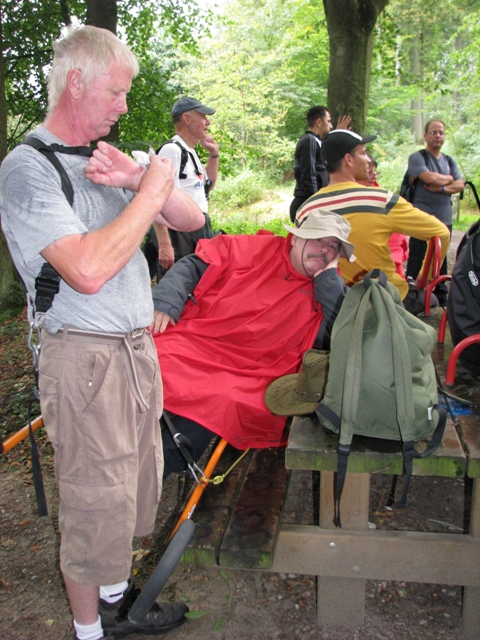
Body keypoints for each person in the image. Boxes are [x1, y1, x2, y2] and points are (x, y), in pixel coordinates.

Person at [0, 26, 205, 640]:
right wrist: (146, 189)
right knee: (95, 498)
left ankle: (119, 605)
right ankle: (90, 631)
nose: (123, 107)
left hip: (136, 349)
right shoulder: (25, 169)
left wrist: (138, 182)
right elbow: (87, 269)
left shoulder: (105, 156)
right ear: (77, 82)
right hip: (83, 358)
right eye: (116, 93)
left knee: (136, 483)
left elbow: (195, 219)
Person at [150, 208, 353, 475]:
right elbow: (194, 265)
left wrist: (327, 281)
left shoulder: (329, 290)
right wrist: (165, 302)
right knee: (151, 356)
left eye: (332, 246)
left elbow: (346, 333)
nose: (323, 250)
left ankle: (159, 467)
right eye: (318, 239)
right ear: (295, 238)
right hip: (198, 340)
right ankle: (122, 445)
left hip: (254, 373)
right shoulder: (253, 248)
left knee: (222, 399)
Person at [296, 129, 451, 304]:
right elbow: (441, 232)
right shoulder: (381, 200)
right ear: (348, 159)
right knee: (432, 302)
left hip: (333, 302)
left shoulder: (306, 210)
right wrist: (425, 278)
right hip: (386, 298)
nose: (369, 160)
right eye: (363, 153)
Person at [153, 96, 220, 276]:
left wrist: (214, 155)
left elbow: (207, 187)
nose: (208, 122)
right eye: (203, 116)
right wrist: (165, 243)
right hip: (179, 233)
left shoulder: (189, 152)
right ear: (187, 118)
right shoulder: (172, 150)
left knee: (198, 283)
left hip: (198, 227)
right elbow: (156, 199)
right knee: (179, 286)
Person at [405, 119, 464, 305]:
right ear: (425, 135)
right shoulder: (417, 157)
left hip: (444, 215)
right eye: (433, 132)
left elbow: (460, 184)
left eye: (441, 132)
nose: (438, 136)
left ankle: (440, 292)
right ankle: (413, 292)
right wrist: (449, 179)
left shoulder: (449, 160)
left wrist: (441, 188)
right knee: (418, 254)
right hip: (422, 217)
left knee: (442, 256)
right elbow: (427, 177)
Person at [289, 106, 351, 222]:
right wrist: (319, 202)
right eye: (328, 121)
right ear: (319, 122)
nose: (331, 126)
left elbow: (327, 151)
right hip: (306, 206)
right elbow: (310, 175)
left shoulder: (315, 141)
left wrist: (337, 134)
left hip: (310, 205)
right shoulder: (310, 141)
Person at [358, 154, 409, 279]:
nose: (373, 176)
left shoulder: (384, 197)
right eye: (369, 172)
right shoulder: (350, 196)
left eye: (375, 172)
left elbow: (398, 239)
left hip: (388, 259)